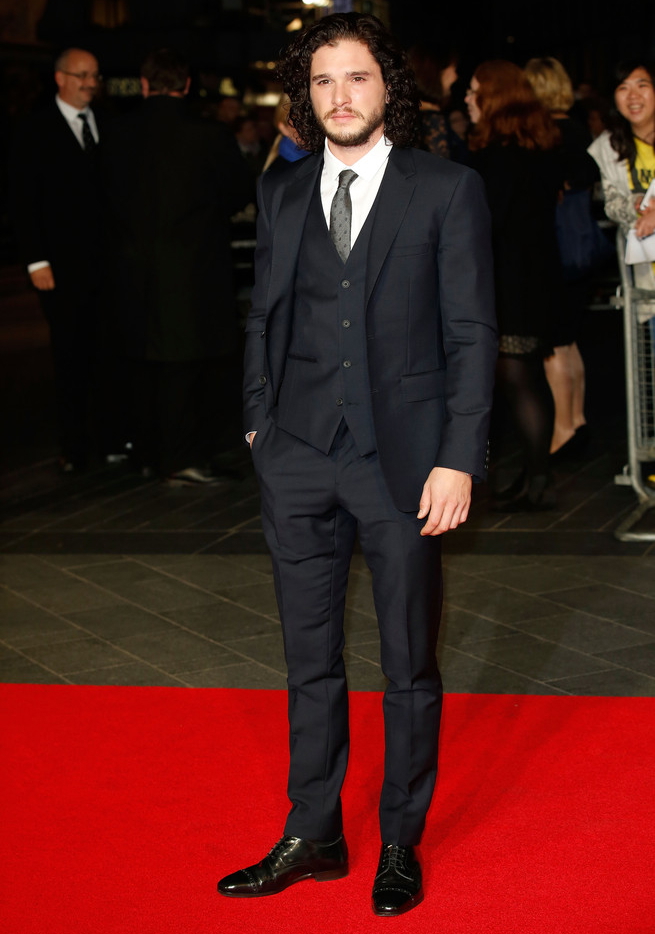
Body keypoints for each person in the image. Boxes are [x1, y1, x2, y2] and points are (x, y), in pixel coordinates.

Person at [217, 13, 497, 918]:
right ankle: (315, 832)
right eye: (324, 82)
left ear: (388, 89)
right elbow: (265, 315)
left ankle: (400, 840)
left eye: (359, 79)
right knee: (308, 660)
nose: (340, 97)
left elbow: (469, 333)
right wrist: (260, 427)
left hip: (404, 465)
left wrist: (457, 459)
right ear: (308, 95)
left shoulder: (445, 190)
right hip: (296, 459)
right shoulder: (284, 193)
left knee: (409, 665)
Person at [103, 49, 253, 484]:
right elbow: (238, 193)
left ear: (145, 84)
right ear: (186, 85)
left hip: (129, 270)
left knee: (140, 366)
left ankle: (147, 453)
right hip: (191, 271)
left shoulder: (114, 134)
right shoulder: (208, 135)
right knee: (187, 371)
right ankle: (182, 458)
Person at [464, 60, 562, 510]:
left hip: (510, 281)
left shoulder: (500, 154)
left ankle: (537, 480)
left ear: (494, 97)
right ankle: (533, 475)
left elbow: (489, 222)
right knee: (526, 378)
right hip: (531, 276)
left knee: (519, 378)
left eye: (474, 90)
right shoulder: (534, 147)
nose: (467, 98)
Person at [9, 47, 104, 472]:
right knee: (69, 356)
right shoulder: (33, 130)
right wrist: (35, 261)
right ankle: (74, 447)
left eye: (94, 75)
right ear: (60, 78)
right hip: (60, 269)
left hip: (106, 266)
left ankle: (106, 439)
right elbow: (21, 201)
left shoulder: (108, 123)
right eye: (82, 74)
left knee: (104, 354)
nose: (90, 82)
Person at [525, 56, 601, 457]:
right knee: (569, 341)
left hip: (556, 250)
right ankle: (577, 421)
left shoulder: (549, 134)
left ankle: (563, 428)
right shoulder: (579, 130)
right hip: (579, 250)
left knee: (555, 343)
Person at [588, 62, 655, 290]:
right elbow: (612, 206)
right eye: (623, 88)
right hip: (648, 276)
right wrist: (636, 203)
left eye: (642, 85)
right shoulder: (609, 147)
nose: (633, 96)